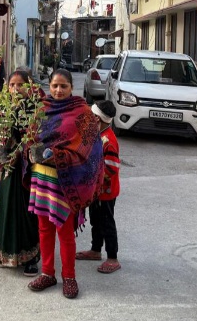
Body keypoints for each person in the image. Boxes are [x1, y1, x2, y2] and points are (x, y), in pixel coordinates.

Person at [26, 69, 104, 299]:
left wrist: (59, 155)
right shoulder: (41, 110)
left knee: (65, 231)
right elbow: (29, 139)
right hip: (41, 177)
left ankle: (69, 277)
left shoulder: (83, 113)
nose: (58, 91)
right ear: (49, 86)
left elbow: (91, 149)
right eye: (54, 86)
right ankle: (48, 273)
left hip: (66, 180)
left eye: (64, 86)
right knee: (43, 227)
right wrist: (29, 153)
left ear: (72, 87)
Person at [0, 70, 42, 275]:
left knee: (25, 212)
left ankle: (30, 258)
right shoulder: (1, 108)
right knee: (6, 210)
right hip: (7, 169)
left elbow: (37, 139)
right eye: (11, 85)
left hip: (25, 170)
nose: (15, 89)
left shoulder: (34, 109)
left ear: (28, 86)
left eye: (19, 84)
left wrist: (20, 152)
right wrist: (0, 153)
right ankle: (7, 253)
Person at [76, 100, 122, 274]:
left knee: (107, 223)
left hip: (106, 192)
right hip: (96, 191)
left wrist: (96, 181)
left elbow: (111, 168)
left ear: (97, 119)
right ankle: (95, 250)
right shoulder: (96, 134)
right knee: (96, 220)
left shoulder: (108, 140)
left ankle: (112, 257)